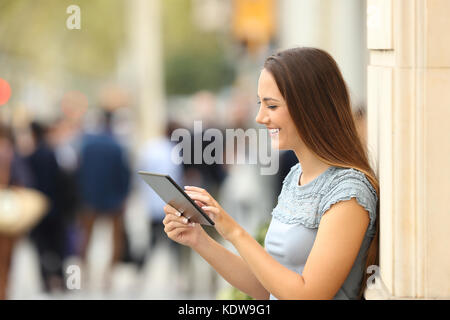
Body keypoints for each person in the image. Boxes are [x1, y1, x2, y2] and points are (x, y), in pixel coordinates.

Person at [161, 47, 379, 300]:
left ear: (310, 108)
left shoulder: (349, 192)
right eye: (260, 104)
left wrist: (232, 230)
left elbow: (308, 295)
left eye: (272, 106)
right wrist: (198, 240)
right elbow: (265, 287)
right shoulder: (296, 176)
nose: (260, 117)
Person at [76, 110, 131, 290]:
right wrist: (124, 196)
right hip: (113, 199)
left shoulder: (86, 145)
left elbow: (78, 172)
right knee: (115, 239)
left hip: (90, 198)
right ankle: (108, 275)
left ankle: (84, 273)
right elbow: (124, 174)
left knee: (86, 238)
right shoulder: (117, 146)